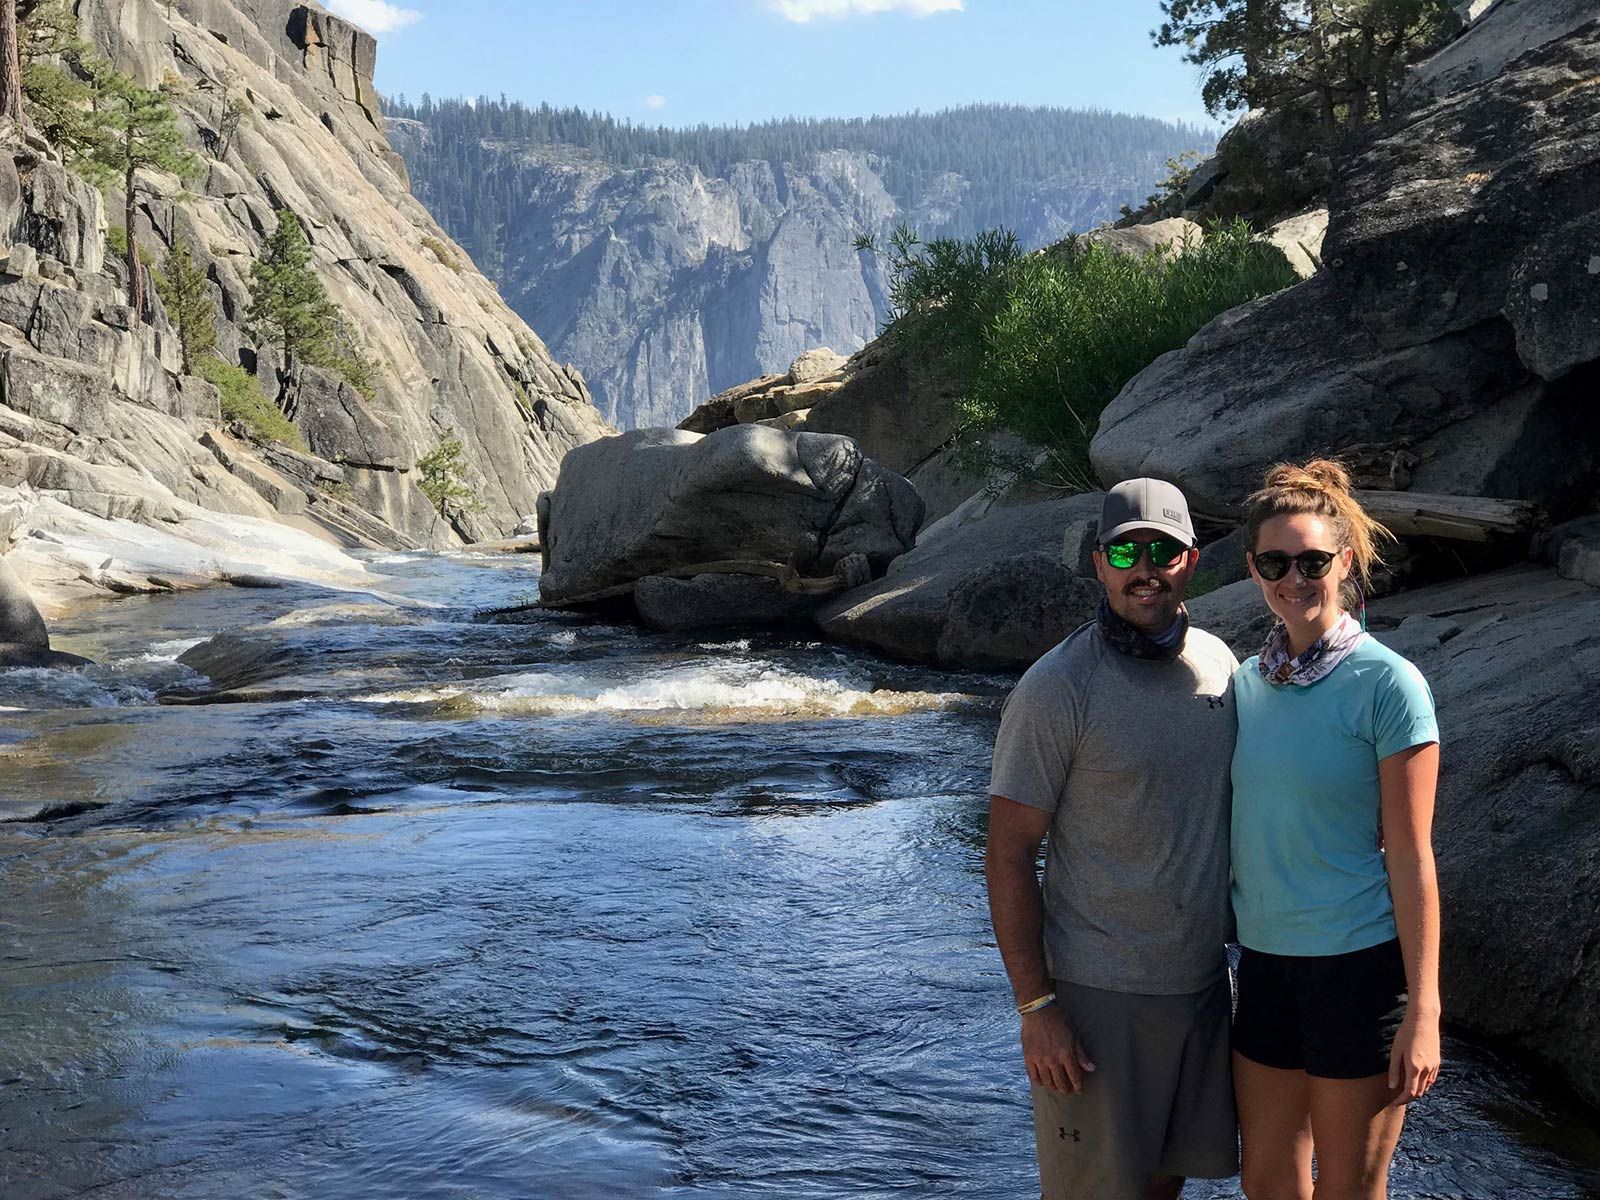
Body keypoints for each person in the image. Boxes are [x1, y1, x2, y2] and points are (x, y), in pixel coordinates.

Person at [985, 477, 1241, 1200]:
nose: (1144, 567)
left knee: (1164, 1189)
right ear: (1099, 562)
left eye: (1163, 549)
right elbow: (1007, 854)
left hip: (1199, 991)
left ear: (1192, 560)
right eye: (1126, 549)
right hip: (1096, 1002)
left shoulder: (1222, 667)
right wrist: (1037, 1011)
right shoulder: (1057, 688)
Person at [1229, 460, 1442, 1200]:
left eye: (1314, 560)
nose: (1295, 577)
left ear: (1343, 563)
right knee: (1267, 1183)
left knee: (1349, 1189)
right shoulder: (1247, 683)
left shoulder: (1390, 684)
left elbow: (1414, 857)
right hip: (1262, 966)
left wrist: (1424, 1009)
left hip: (1356, 968)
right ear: (1253, 567)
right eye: (1275, 561)